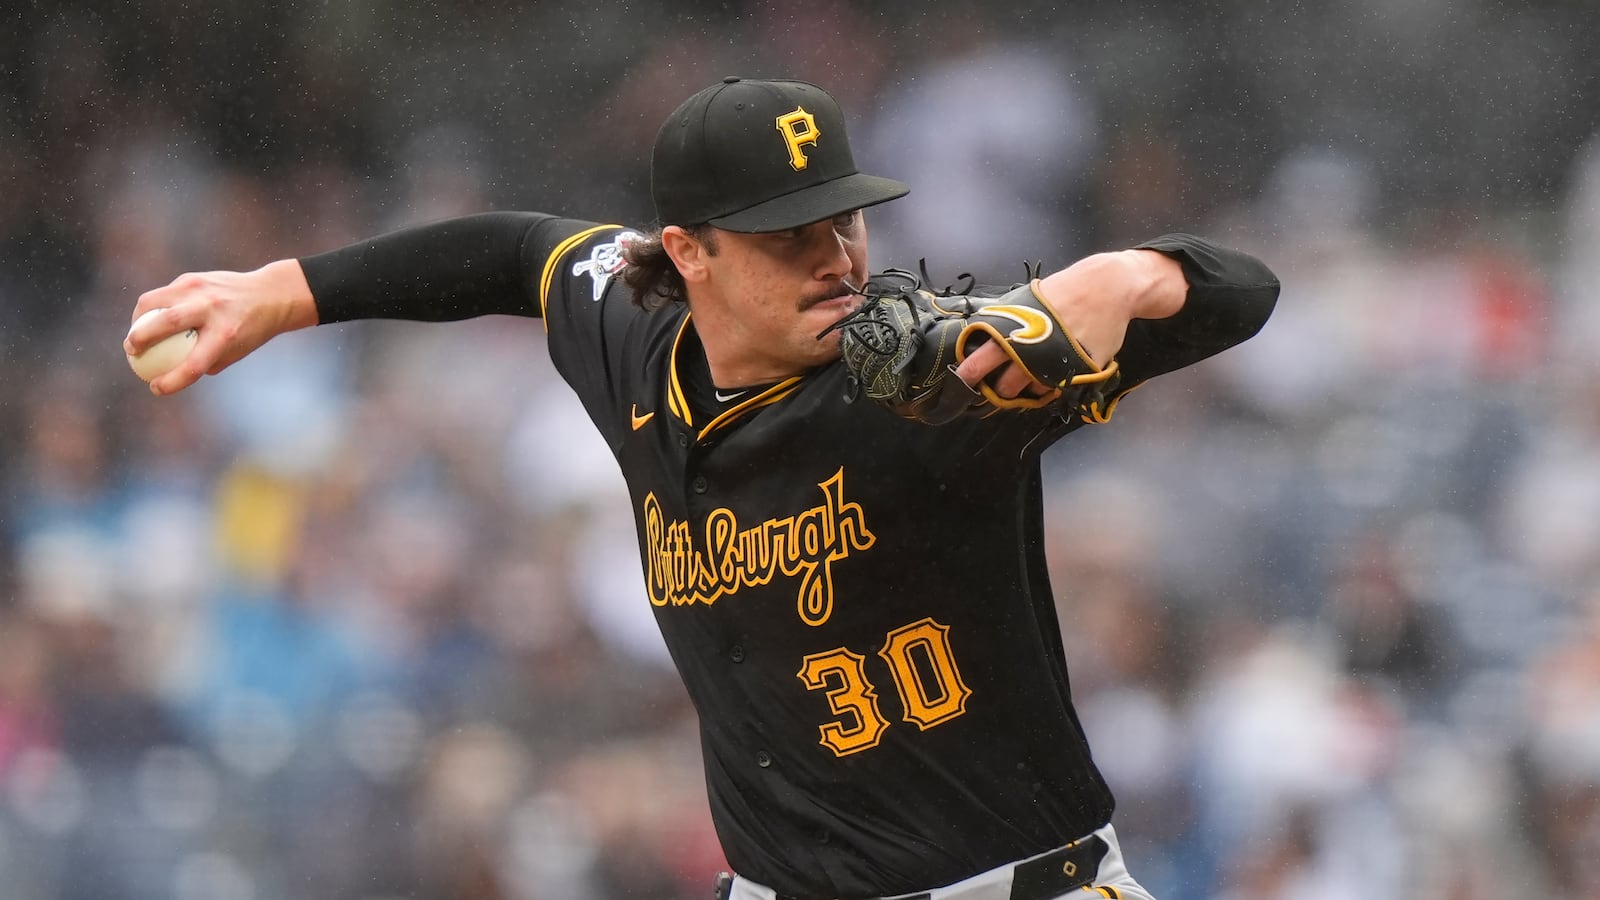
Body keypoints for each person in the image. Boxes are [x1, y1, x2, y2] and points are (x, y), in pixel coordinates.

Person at [126, 76, 1279, 900]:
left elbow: (1244, 296)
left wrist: (1140, 272)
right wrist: (282, 291)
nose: (836, 257)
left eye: (846, 219)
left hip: (1017, 885)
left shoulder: (945, 381)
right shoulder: (630, 336)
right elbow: (509, 252)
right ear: (687, 252)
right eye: (790, 234)